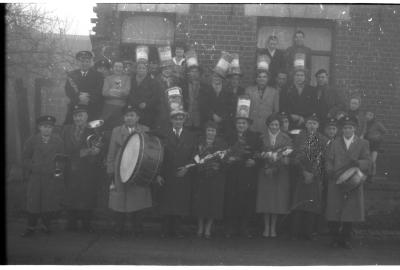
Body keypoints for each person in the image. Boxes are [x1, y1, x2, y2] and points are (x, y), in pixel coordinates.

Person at [325, 116, 371, 249]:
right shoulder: (334, 143)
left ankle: (345, 239)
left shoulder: (363, 143)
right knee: (334, 210)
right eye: (345, 128)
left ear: (355, 129)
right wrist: (330, 171)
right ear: (342, 129)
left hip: (353, 181)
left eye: (350, 127)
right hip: (336, 180)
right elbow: (328, 160)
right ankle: (334, 238)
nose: (347, 130)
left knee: (350, 211)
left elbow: (368, 161)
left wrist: (358, 163)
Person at [107, 104, 152, 238]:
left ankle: (137, 228)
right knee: (119, 199)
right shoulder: (116, 131)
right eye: (127, 115)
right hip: (120, 169)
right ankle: (118, 227)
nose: (129, 118)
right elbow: (111, 152)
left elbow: (149, 152)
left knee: (137, 198)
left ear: (138, 117)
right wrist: (111, 171)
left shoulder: (145, 130)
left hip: (139, 169)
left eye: (132, 115)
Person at [20, 116, 65, 237]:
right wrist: (34, 167)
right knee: (33, 202)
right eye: (44, 127)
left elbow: (61, 159)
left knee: (48, 201)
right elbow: (25, 159)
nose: (47, 129)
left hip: (50, 177)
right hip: (35, 177)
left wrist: (57, 170)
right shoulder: (32, 140)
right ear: (39, 127)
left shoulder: (58, 141)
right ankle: (31, 227)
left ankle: (46, 225)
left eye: (50, 127)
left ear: (53, 129)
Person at [155, 109, 197, 238]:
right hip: (167, 173)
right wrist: (158, 174)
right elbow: (158, 156)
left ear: (184, 120)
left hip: (183, 173)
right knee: (166, 202)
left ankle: (177, 230)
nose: (178, 121)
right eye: (175, 119)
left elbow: (195, 156)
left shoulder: (191, 136)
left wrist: (187, 168)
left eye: (181, 119)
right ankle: (165, 230)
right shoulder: (163, 134)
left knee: (180, 202)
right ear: (171, 120)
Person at [62, 105, 104, 232]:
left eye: (81, 115)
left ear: (86, 117)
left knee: (87, 195)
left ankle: (86, 224)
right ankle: (71, 223)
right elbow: (61, 147)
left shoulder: (94, 130)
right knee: (71, 195)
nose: (77, 118)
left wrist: (97, 149)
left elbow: (98, 147)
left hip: (87, 169)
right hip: (70, 167)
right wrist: (82, 152)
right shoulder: (66, 129)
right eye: (75, 116)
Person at [224, 113, 262, 238]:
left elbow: (259, 153)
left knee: (245, 200)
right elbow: (223, 152)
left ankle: (244, 227)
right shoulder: (229, 136)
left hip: (247, 172)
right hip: (233, 172)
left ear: (248, 125)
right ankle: (230, 227)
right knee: (232, 200)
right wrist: (228, 159)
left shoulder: (254, 137)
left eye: (243, 123)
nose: (241, 125)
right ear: (235, 124)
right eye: (239, 123)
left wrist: (254, 161)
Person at [291, 113, 328, 240]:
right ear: (306, 125)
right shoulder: (300, 137)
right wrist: (303, 172)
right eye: (309, 123)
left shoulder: (323, 139)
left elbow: (324, 160)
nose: (312, 126)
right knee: (300, 203)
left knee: (312, 204)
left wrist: (313, 174)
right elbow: (295, 155)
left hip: (314, 177)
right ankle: (296, 232)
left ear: (318, 126)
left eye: (314, 123)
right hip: (301, 175)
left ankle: (309, 232)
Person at [256, 114, 293, 238]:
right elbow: (257, 152)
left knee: (277, 200)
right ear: (268, 125)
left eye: (277, 124)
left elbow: (289, 153)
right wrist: (265, 155)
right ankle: (266, 227)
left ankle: (273, 227)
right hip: (266, 171)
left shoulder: (286, 138)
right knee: (266, 200)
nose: (274, 127)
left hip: (280, 172)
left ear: (280, 126)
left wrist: (281, 157)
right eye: (272, 124)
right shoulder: (261, 137)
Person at [192, 121, 227, 239]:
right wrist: (200, 163)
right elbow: (194, 156)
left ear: (216, 132)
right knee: (201, 203)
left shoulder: (221, 144)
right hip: (201, 176)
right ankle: (200, 226)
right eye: (209, 130)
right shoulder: (199, 142)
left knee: (213, 203)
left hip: (215, 177)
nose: (210, 133)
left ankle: (208, 227)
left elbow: (224, 159)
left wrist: (217, 165)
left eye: (213, 131)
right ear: (205, 131)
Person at [64, 51, 104, 124]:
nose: (84, 64)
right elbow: (68, 90)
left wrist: (88, 97)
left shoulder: (98, 75)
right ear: (78, 62)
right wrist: (79, 97)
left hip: (92, 107)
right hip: (76, 106)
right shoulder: (71, 75)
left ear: (91, 62)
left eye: (87, 61)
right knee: (70, 127)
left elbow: (99, 90)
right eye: (82, 61)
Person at [245, 68, 279, 134]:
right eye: (259, 77)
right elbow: (245, 110)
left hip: (267, 126)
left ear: (268, 79)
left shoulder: (274, 92)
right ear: (256, 79)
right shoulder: (248, 90)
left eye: (264, 77)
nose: (262, 79)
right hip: (252, 126)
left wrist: (272, 125)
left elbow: (276, 111)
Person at [129, 58, 159, 129]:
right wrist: (134, 103)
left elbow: (156, 96)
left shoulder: (153, 81)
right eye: (139, 68)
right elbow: (129, 93)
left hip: (147, 111)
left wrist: (147, 104)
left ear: (147, 69)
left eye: (143, 68)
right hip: (134, 109)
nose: (141, 70)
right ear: (136, 69)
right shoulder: (131, 80)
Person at [101, 60, 131, 130]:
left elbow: (126, 92)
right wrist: (119, 93)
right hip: (108, 107)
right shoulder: (108, 78)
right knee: (106, 126)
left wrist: (112, 91)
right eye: (116, 66)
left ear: (123, 68)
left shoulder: (127, 78)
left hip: (121, 107)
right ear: (113, 68)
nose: (118, 69)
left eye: (120, 67)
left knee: (119, 127)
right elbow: (104, 92)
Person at [202, 72, 234, 136]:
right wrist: (213, 115)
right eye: (215, 76)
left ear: (222, 78)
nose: (217, 78)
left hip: (224, 122)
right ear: (212, 77)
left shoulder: (228, 90)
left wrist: (222, 116)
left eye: (219, 77)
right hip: (209, 121)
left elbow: (230, 106)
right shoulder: (205, 89)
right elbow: (203, 105)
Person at [364, 111, 387, 176]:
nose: (368, 116)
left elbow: (384, 131)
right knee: (366, 160)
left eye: (370, 115)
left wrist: (379, 138)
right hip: (366, 143)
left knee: (373, 161)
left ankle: (371, 175)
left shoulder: (377, 124)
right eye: (367, 114)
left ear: (373, 116)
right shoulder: (364, 123)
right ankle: (366, 174)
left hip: (375, 145)